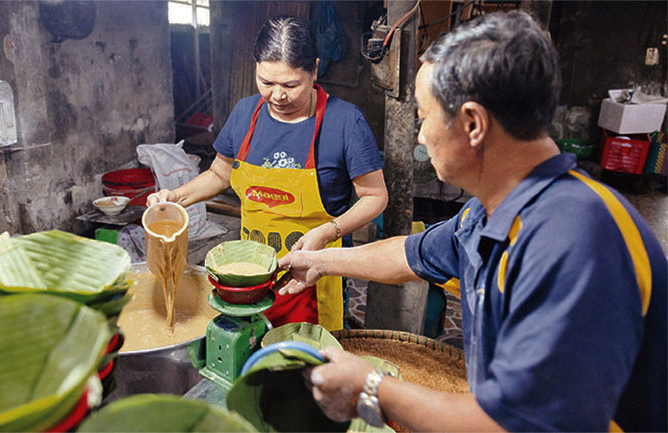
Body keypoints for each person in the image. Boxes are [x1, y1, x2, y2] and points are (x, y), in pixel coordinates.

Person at [277, 10, 667, 432]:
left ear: (473, 123)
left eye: (424, 118)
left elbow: (520, 423)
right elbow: (411, 255)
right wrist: (321, 262)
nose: (421, 136)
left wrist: (373, 388)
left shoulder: (576, 240)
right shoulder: (491, 211)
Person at [148, 15, 387, 331]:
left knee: (306, 365)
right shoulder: (245, 113)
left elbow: (375, 196)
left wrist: (328, 232)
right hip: (250, 274)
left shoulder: (345, 123)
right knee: (252, 353)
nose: (277, 96)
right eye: (266, 82)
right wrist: (175, 197)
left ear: (314, 70)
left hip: (314, 275)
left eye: (290, 84)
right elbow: (220, 174)